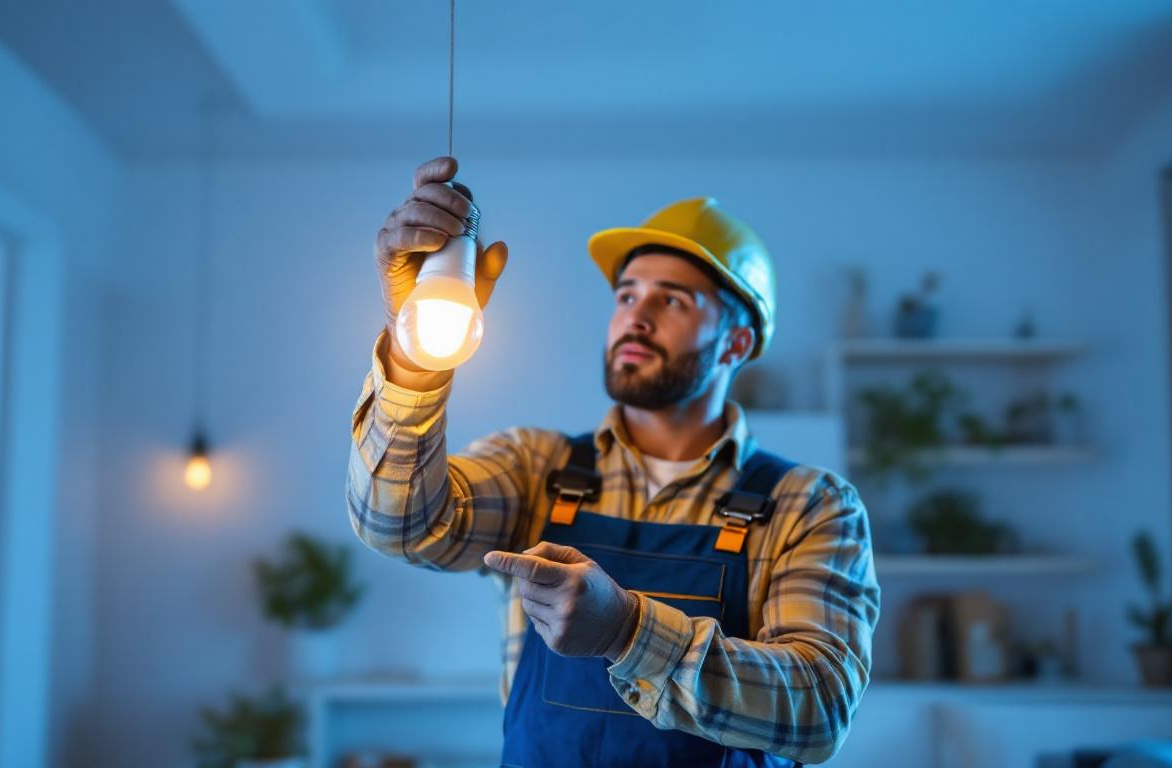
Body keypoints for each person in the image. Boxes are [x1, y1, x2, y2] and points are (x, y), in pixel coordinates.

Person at [347, 156, 880, 767]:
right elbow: (398, 525)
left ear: (737, 341)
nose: (636, 315)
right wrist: (412, 351)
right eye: (626, 294)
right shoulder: (535, 467)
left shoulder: (809, 505)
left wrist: (627, 631)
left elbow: (820, 707)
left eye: (673, 300)